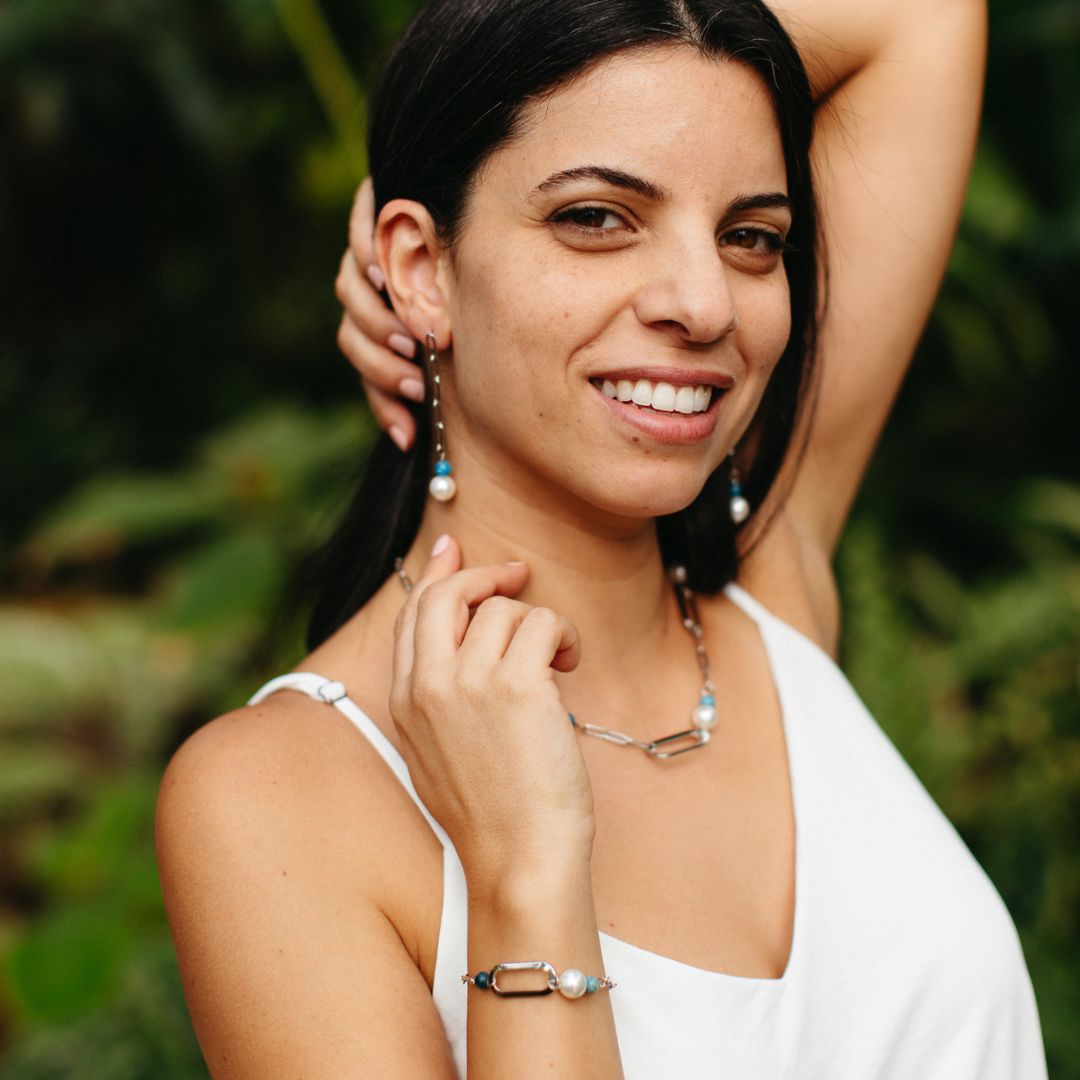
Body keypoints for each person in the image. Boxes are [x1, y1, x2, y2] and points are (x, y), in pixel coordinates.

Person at [156, 0, 1048, 1075]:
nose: (705, 304)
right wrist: (523, 872)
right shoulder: (277, 801)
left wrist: (442, 135)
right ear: (419, 266)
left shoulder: (771, 590)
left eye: (751, 237)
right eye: (595, 217)